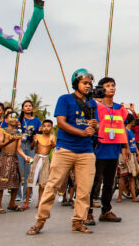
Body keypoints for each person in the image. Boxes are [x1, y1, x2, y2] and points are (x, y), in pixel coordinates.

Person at [27, 69, 99, 235]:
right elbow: (61, 123)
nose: (88, 85)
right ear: (76, 83)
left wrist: (95, 126)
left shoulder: (92, 103)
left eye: (90, 83)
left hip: (86, 150)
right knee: (53, 184)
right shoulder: (65, 99)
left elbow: (97, 127)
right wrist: (82, 132)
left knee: (85, 188)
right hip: (65, 148)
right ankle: (40, 220)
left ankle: (78, 221)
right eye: (85, 82)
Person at [90, 76, 125, 224]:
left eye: (113, 85)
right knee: (95, 181)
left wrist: (125, 148)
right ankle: (88, 211)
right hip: (99, 149)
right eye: (107, 85)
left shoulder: (120, 108)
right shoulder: (95, 106)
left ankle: (106, 210)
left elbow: (122, 129)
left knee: (110, 182)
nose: (111, 88)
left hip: (113, 149)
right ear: (101, 89)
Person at [0, 112, 29, 214]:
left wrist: (25, 156)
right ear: (6, 120)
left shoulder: (18, 133)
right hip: (4, 158)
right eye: (11, 117)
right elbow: (0, 144)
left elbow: (19, 148)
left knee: (16, 181)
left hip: (14, 158)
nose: (13, 119)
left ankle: (11, 203)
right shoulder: (3, 131)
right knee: (1, 181)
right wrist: (9, 140)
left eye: (15, 117)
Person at [17, 99, 40, 209]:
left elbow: (39, 133)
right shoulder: (19, 120)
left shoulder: (36, 120)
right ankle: (17, 194)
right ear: (22, 108)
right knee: (18, 170)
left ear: (32, 108)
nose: (28, 107)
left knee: (29, 172)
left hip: (31, 146)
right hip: (20, 145)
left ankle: (28, 195)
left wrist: (36, 141)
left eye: (30, 106)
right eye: (26, 106)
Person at [29, 120, 55, 207]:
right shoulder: (38, 136)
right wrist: (34, 141)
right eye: (45, 126)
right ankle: (26, 202)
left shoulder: (52, 137)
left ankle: (39, 202)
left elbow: (55, 148)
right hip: (37, 158)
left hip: (46, 159)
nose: (46, 127)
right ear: (42, 127)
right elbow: (32, 147)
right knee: (30, 180)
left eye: (48, 126)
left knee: (42, 182)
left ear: (51, 127)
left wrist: (53, 143)